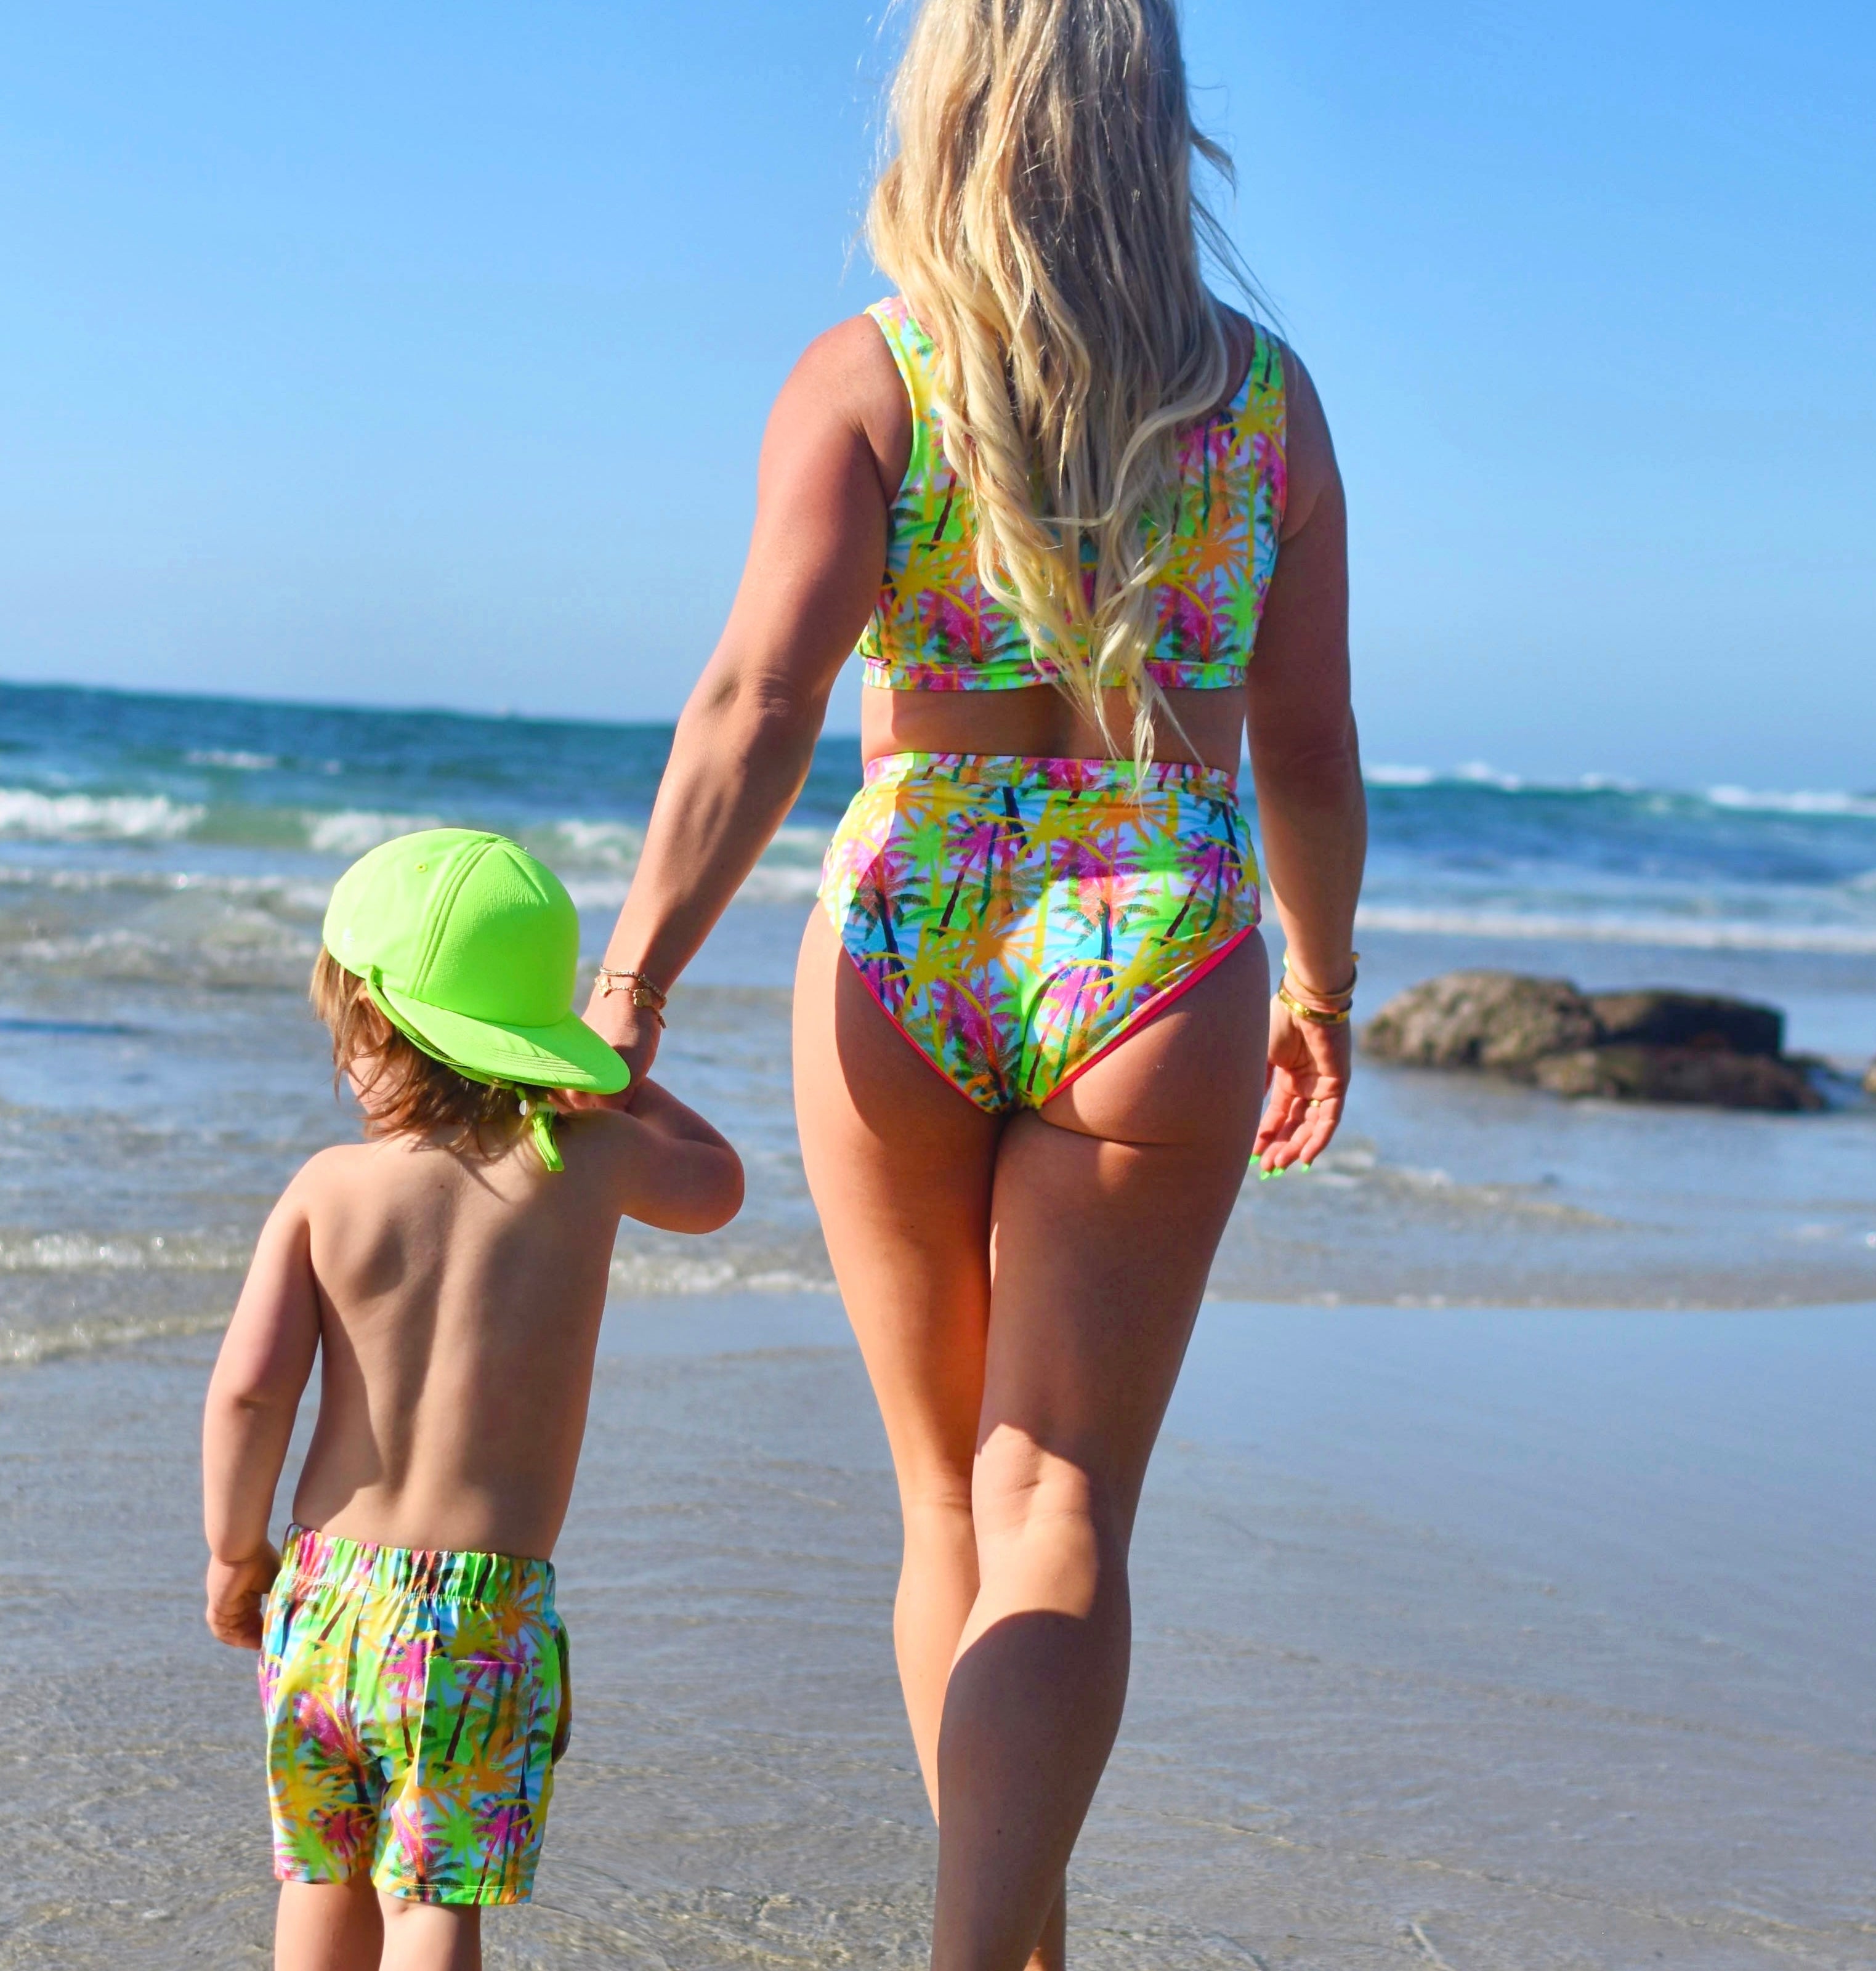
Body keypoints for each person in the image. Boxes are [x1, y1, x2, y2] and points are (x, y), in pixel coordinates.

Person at [580, 1, 1364, 1962]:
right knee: (1060, 1502)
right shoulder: (1267, 405)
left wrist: (634, 979)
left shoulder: (873, 374)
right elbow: (1309, 742)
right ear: (1152, 117)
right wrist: (1324, 984)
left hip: (908, 928)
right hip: (1160, 932)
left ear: (953, 105)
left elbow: (759, 702)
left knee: (951, 1503)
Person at [201, 828, 744, 1971]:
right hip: (481, 1619)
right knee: (433, 1900)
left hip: (324, 1597)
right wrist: (618, 1079)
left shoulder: (328, 1189)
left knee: (322, 1874)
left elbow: (249, 1392)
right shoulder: (586, 1159)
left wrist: (235, 1552)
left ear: (375, 1024)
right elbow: (719, 1187)